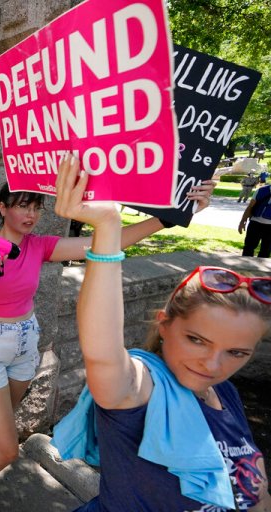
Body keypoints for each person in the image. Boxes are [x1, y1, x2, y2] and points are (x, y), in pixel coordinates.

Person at [0, 155, 215, 512]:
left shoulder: (38, 246)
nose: (30, 215)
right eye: (22, 206)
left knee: (0, 424)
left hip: (25, 343)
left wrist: (165, 220)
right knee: (8, 447)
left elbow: (102, 243)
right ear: (2, 207)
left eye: (36, 207)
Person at [52, 156, 270, 511]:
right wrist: (106, 226)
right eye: (197, 339)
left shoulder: (226, 394)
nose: (212, 364)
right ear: (164, 324)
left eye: (236, 352)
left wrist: (170, 216)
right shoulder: (142, 390)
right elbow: (103, 353)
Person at [239, 183, 271, 258]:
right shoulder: (261, 190)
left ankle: (260, 269)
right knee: (248, 247)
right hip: (255, 223)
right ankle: (245, 266)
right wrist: (243, 221)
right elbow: (250, 206)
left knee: (266, 250)